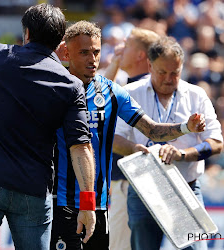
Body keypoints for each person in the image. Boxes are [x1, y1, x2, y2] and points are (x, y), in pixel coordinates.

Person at [0, 4, 96, 250]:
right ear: (60, 42)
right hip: (33, 190)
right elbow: (81, 147)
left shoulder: (0, 59)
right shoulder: (72, 86)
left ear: (27, 33)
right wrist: (87, 204)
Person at [50, 21, 205, 250]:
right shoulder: (52, 87)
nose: (92, 59)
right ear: (66, 52)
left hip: (98, 204)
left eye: (96, 52)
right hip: (57, 200)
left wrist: (185, 127)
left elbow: (151, 129)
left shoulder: (111, 91)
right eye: (84, 52)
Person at [113, 36, 223, 250]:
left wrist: (182, 154)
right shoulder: (130, 93)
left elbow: (217, 142)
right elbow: (114, 139)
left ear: (182, 67)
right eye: (162, 72)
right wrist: (136, 150)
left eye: (175, 72)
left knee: (195, 248)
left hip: (187, 187)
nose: (169, 79)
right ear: (150, 65)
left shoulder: (196, 94)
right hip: (144, 188)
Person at [104, 27, 160, 250]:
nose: (119, 49)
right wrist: (116, 62)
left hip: (130, 182)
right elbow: (94, 94)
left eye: (126, 46)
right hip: (131, 182)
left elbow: (93, 98)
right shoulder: (135, 86)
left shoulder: (142, 89)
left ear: (140, 55)